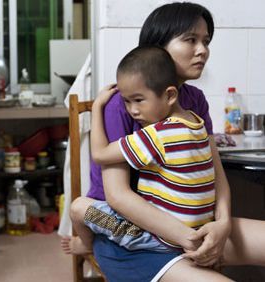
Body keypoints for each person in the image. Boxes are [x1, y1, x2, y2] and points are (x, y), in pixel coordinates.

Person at [65, 2, 265, 281]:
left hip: (190, 226)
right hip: (127, 236)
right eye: (191, 40)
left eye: (206, 41)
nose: (202, 50)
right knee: (82, 208)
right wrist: (187, 238)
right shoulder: (122, 105)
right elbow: (117, 196)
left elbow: (214, 170)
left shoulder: (194, 101)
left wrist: (222, 225)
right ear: (159, 46)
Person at [61, 45, 214, 255]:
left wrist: (97, 108)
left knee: (78, 207)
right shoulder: (195, 123)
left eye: (139, 100)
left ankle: (86, 245)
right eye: (126, 101)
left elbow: (100, 154)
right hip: (197, 228)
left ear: (170, 95)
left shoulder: (157, 135)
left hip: (154, 238)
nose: (132, 110)